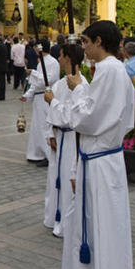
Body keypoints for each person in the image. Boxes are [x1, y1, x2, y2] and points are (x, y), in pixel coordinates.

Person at [29, 20, 135, 269]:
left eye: (86, 42)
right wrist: (80, 89)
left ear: (99, 41)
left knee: (103, 237)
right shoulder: (105, 71)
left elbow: (86, 120)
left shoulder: (111, 71)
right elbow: (93, 109)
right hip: (90, 163)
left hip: (102, 166)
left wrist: (56, 102)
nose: (83, 48)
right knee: (78, 232)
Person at [42, 44, 87, 236]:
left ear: (68, 58)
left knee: (69, 180)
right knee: (55, 178)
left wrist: (52, 101)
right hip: (59, 137)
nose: (58, 59)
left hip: (71, 139)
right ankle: (53, 216)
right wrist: (50, 132)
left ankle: (68, 223)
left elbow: (70, 117)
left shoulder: (81, 84)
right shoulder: (61, 83)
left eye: (60, 56)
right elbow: (53, 113)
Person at [21, 38, 60, 166]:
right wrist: (27, 95)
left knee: (45, 126)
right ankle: (36, 153)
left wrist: (33, 73)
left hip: (46, 98)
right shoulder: (41, 62)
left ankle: (48, 154)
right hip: (38, 98)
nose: (34, 49)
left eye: (36, 47)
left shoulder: (52, 62)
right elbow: (36, 83)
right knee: (37, 127)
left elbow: (48, 80)